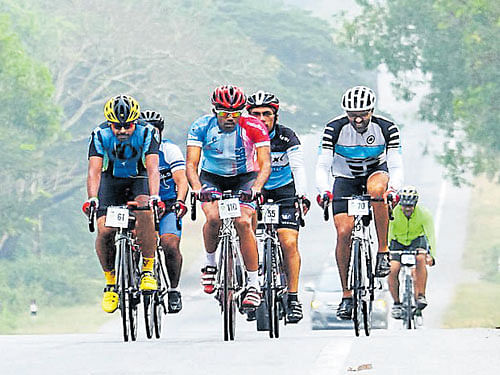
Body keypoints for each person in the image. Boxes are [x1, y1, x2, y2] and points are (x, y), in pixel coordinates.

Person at [315, 86, 403, 320]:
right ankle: (346, 295)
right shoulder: (334, 129)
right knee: (343, 232)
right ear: (345, 113)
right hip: (345, 179)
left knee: (377, 191)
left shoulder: (387, 128)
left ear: (371, 110)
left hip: (376, 173)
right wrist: (323, 190)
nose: (358, 118)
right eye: (352, 114)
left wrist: (393, 189)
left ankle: (383, 251)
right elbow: (323, 165)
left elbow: (395, 164)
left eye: (363, 113)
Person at [186, 85, 271, 308]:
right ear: (215, 111)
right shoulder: (201, 126)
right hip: (212, 177)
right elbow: (191, 164)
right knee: (213, 217)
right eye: (224, 113)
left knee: (243, 222)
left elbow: (265, 164)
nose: (230, 118)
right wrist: (196, 188)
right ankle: (211, 264)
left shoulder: (254, 126)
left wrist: (257, 187)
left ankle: (253, 285)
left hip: (245, 177)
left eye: (236, 113)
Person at [82, 94, 162, 313]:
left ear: (135, 122)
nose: (123, 131)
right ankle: (110, 283)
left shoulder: (147, 132)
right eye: (117, 126)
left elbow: (153, 167)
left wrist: (155, 196)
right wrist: (92, 198)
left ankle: (147, 269)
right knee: (105, 231)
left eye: (128, 126)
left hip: (139, 178)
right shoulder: (100, 135)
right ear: (110, 124)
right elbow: (94, 171)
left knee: (145, 209)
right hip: (111, 180)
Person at [246, 90, 310, 323]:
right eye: (255, 114)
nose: (261, 119)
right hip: (254, 190)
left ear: (276, 115)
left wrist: (302, 194)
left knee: (288, 241)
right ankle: (250, 288)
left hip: (284, 191)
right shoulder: (243, 135)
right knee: (245, 235)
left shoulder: (287, 137)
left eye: (266, 114)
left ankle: (292, 297)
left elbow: (298, 167)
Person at [139, 110, 188, 313]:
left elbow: (181, 180)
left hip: (166, 205)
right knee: (134, 241)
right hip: (142, 206)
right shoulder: (133, 150)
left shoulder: (169, 150)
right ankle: (131, 278)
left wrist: (180, 201)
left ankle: (174, 290)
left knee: (169, 244)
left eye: (155, 131)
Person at [388, 185, 436, 318]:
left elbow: (431, 235)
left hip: (416, 241)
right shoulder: (393, 212)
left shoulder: (424, 213)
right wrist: (386, 252)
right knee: (392, 268)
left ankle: (421, 295)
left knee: (421, 259)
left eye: (410, 206)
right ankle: (396, 303)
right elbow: (387, 233)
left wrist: (431, 255)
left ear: (415, 205)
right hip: (398, 242)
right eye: (404, 206)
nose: (407, 209)